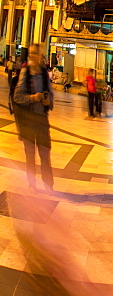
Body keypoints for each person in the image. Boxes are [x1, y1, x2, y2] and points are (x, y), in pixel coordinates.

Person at [13, 43, 54, 192]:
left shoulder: (44, 73)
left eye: (36, 53)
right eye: (31, 53)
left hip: (42, 119)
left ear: (40, 55)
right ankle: (32, 184)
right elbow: (17, 96)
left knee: (45, 153)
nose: (33, 56)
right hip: (28, 120)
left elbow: (51, 96)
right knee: (30, 155)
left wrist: (47, 101)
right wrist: (33, 98)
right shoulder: (26, 72)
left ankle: (48, 184)